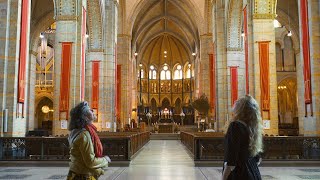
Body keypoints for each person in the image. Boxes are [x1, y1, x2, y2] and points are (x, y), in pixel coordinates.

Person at [222, 95, 263, 180]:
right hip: (254, 172)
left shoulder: (235, 126)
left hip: (240, 174)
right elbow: (258, 159)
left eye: (236, 103)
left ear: (240, 109)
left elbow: (231, 161)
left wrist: (224, 177)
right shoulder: (253, 128)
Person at [67, 101, 111, 180]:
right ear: (85, 117)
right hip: (83, 176)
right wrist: (105, 160)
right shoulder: (84, 135)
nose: (93, 111)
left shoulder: (76, 131)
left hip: (76, 173)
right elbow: (90, 162)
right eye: (90, 110)